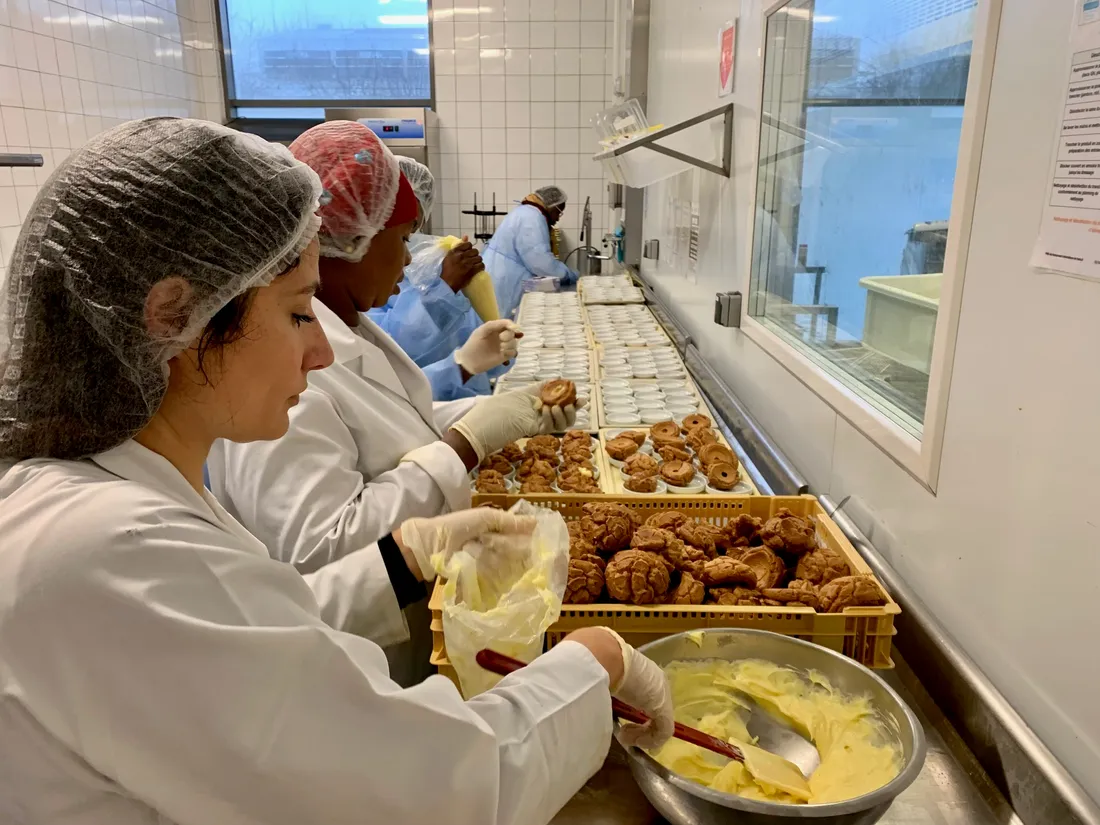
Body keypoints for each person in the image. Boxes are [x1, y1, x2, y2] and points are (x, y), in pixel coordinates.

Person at [0, 117, 673, 825]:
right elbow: (429, 791)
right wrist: (596, 662)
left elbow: (254, 633)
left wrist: (405, 553)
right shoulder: (111, 558)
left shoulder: (107, 501)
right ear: (175, 315)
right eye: (298, 314)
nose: (322, 352)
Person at [205, 122, 579, 685]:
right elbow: (317, 547)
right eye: (403, 239)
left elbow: (400, 430)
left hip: (403, 626)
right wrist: (465, 442)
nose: (410, 261)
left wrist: (501, 417)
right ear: (349, 237)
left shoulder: (349, 325)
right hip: (354, 656)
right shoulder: (283, 369)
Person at [368, 156, 509, 400]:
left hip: (471, 402)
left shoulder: (439, 257)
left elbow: (484, 340)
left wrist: (501, 349)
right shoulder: (363, 278)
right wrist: (445, 287)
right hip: (421, 413)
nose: (407, 259)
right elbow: (392, 355)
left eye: (410, 227)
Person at [482, 185, 579, 319]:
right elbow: (541, 262)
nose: (558, 218)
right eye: (559, 212)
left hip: (499, 274)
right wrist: (567, 275)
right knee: (503, 328)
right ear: (552, 206)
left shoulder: (526, 212)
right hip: (505, 280)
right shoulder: (532, 218)